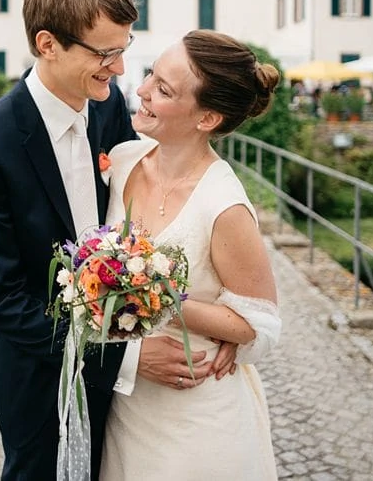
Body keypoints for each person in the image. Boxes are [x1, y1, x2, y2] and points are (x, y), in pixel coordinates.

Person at [0, 0, 232, 480]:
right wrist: (125, 360)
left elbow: (153, 206)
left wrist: (232, 321)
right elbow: (4, 298)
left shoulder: (108, 108)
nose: (120, 69)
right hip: (42, 377)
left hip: (131, 387)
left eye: (123, 50)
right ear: (47, 43)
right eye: (105, 53)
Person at [101, 30, 283, 480]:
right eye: (150, 76)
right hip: (127, 409)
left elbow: (258, 324)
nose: (141, 90)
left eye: (163, 90)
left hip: (198, 417)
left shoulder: (224, 206)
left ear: (206, 118)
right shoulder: (124, 160)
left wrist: (156, 295)